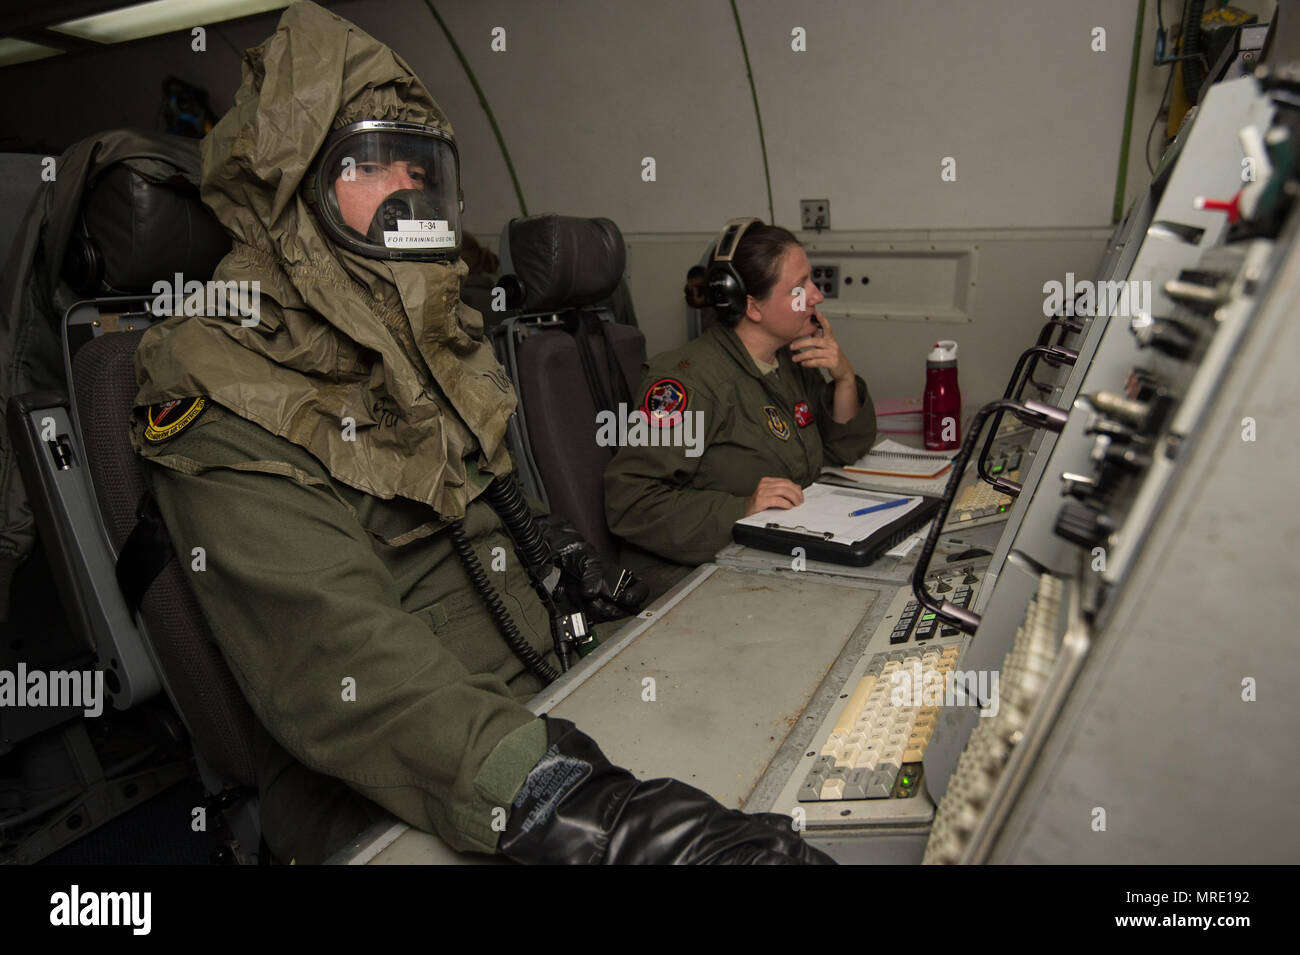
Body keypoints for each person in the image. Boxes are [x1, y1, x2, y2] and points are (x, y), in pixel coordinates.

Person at [128, 2, 829, 865]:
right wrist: (600, 821)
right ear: (292, 186)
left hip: (553, 698)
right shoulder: (217, 385)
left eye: (419, 170)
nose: (408, 193)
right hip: (398, 781)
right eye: (372, 167)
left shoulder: (437, 347)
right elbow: (347, 672)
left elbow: (529, 536)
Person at [604, 219, 878, 566]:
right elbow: (630, 504)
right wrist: (742, 508)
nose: (817, 296)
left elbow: (843, 448)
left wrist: (844, 379)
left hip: (772, 552)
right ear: (752, 307)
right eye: (799, 287)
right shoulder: (687, 385)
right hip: (699, 574)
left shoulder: (788, 362)